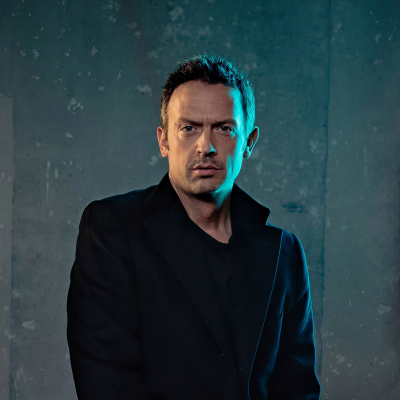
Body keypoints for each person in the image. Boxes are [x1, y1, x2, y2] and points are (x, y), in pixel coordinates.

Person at [67, 53, 321, 400]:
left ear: (248, 142)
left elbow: (298, 389)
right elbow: (106, 381)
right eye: (189, 128)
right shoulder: (112, 228)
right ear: (164, 141)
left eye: (224, 128)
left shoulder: (284, 252)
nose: (206, 147)